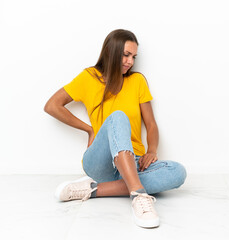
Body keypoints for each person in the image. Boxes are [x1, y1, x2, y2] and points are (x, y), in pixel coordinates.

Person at [44, 29, 187, 228]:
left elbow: (151, 124)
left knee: (178, 172)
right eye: (126, 55)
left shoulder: (137, 81)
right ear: (111, 52)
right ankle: (138, 194)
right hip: (101, 163)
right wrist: (89, 130)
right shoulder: (88, 77)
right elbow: (52, 105)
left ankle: (92, 190)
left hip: (135, 162)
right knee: (118, 116)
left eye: (134, 57)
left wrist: (152, 150)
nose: (130, 61)